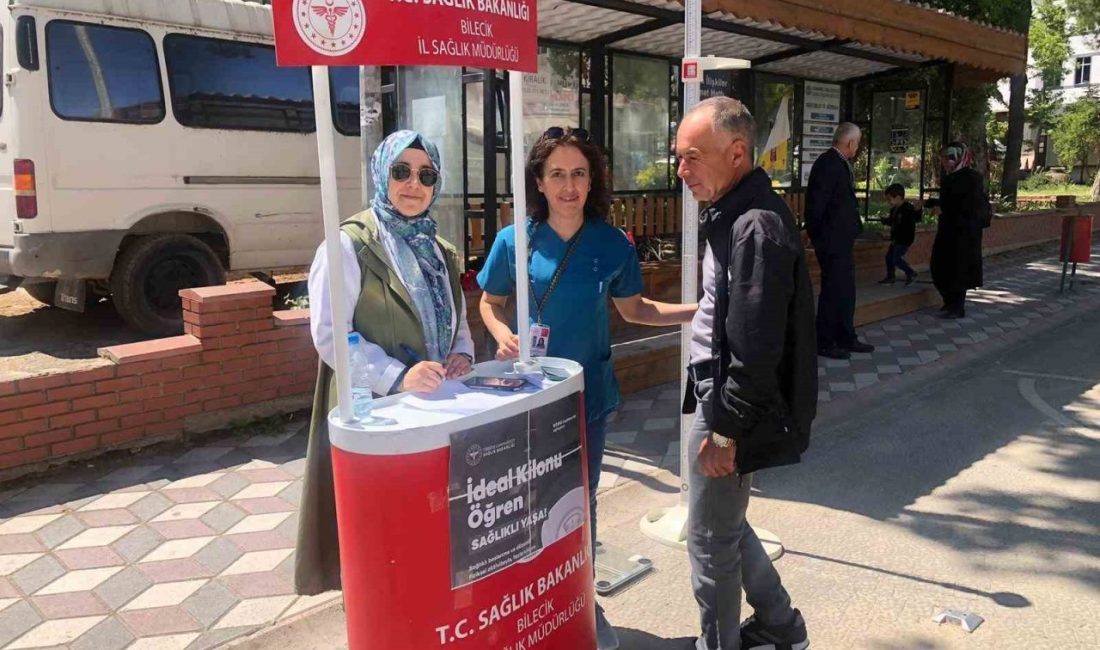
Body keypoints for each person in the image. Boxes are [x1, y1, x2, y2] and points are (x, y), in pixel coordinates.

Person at [477, 126, 697, 650]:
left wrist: (699, 311)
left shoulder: (610, 242)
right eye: (557, 174)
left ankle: (580, 601)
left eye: (579, 173)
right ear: (539, 180)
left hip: (587, 398)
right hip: (527, 397)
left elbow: (636, 310)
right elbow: (490, 303)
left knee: (581, 502)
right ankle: (530, 603)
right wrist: (503, 333)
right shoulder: (515, 241)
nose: (569, 185)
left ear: (592, 179)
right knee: (524, 504)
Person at [295, 130, 475, 595]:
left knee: (426, 524)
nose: (413, 184)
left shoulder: (439, 249)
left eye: (426, 175)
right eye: (401, 171)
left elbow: (456, 319)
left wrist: (461, 353)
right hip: (373, 408)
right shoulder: (348, 246)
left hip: (432, 407)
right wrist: (397, 377)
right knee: (377, 536)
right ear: (381, 174)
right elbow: (331, 335)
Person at [676, 97, 817, 650]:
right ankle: (781, 624)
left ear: (737, 153)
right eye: (678, 158)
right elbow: (730, 309)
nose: (681, 172)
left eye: (692, 157)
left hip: (730, 405)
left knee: (710, 538)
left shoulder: (754, 224)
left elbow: (756, 348)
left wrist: (725, 430)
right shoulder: (738, 212)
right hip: (724, 397)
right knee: (718, 522)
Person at [805, 122, 874, 360]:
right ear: (850, 142)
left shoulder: (839, 163)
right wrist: (820, 239)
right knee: (833, 290)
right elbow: (815, 207)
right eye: (858, 142)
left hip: (842, 241)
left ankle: (846, 335)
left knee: (845, 289)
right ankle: (824, 341)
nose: (858, 147)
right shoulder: (828, 164)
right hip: (831, 243)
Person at [931, 142, 989, 319]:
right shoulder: (950, 177)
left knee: (958, 269)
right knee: (940, 266)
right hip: (948, 230)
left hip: (964, 233)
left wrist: (945, 210)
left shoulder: (971, 178)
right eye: (944, 158)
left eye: (950, 158)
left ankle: (957, 307)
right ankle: (949, 303)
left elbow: (971, 206)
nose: (945, 162)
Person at [877, 183, 921, 286]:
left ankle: (910, 272)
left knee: (896, 258)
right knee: (889, 257)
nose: (889, 202)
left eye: (889, 199)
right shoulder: (894, 210)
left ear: (898, 197)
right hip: (896, 238)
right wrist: (884, 220)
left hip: (905, 238)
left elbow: (916, 218)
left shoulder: (907, 208)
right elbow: (893, 221)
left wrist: (918, 209)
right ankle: (890, 276)